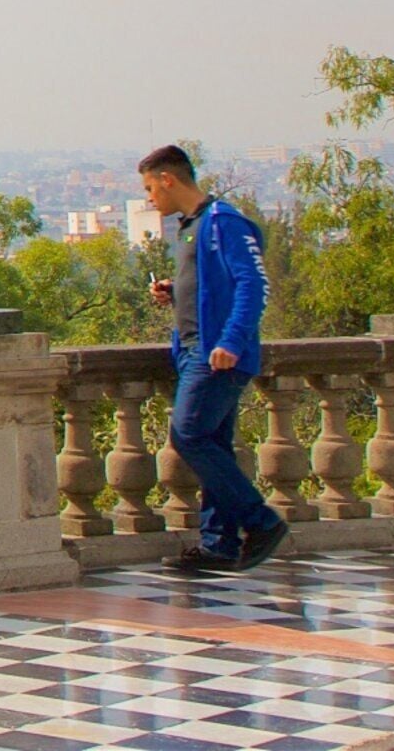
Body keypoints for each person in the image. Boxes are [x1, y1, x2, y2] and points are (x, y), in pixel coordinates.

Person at [138, 144, 285, 573]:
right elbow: (208, 286)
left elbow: (252, 285)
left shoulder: (224, 222)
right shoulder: (190, 227)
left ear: (168, 179)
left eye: (150, 188)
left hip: (215, 354)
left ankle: (261, 520)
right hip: (191, 350)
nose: (150, 199)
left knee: (189, 436)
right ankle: (218, 544)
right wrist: (175, 291)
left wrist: (232, 342)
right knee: (214, 442)